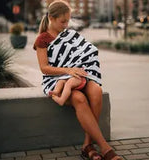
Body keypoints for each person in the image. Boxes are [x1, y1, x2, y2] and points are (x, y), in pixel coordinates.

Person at [34, 1, 122, 160]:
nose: (66, 25)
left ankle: (87, 144)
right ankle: (104, 147)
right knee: (79, 98)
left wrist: (77, 69)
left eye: (68, 21)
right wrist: (68, 70)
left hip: (77, 75)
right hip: (56, 80)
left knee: (96, 91)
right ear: (51, 18)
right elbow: (44, 68)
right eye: (63, 21)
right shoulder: (42, 39)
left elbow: (85, 52)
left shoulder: (70, 34)